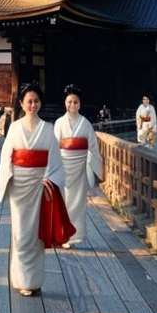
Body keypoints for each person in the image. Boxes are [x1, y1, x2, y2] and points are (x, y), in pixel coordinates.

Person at [0, 83, 67, 296]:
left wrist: (49, 181)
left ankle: (33, 280)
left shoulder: (48, 129)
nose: (33, 105)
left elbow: (55, 161)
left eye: (36, 101)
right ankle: (21, 279)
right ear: (21, 103)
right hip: (19, 186)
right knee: (20, 233)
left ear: (40, 103)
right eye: (29, 101)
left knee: (36, 234)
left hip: (39, 186)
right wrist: (7, 180)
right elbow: (6, 158)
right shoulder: (14, 128)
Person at [54, 84, 102, 249]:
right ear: (65, 103)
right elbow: (54, 147)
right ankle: (63, 235)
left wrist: (95, 168)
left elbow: (93, 148)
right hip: (63, 166)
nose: (72, 105)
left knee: (78, 203)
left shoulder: (86, 124)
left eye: (75, 102)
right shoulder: (59, 123)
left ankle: (74, 236)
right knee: (64, 201)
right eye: (69, 102)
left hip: (80, 168)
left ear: (80, 104)